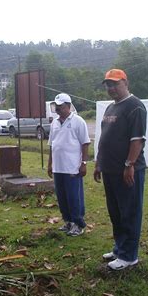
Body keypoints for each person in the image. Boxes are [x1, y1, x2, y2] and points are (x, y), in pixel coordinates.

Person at [93, 69, 147, 270]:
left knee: (129, 212)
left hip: (127, 170)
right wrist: (99, 162)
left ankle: (129, 256)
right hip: (110, 169)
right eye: (108, 84)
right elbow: (104, 137)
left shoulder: (135, 107)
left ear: (126, 82)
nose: (111, 88)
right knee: (115, 212)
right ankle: (119, 249)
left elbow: (137, 140)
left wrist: (129, 165)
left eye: (115, 83)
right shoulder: (110, 108)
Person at [48, 93, 90, 237]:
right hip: (58, 167)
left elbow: (85, 143)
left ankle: (79, 223)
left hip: (72, 166)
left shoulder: (78, 121)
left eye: (60, 106)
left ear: (68, 106)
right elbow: (51, 145)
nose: (58, 109)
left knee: (74, 197)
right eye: (56, 106)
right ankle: (68, 221)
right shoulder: (54, 123)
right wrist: (50, 164)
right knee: (62, 197)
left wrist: (83, 163)